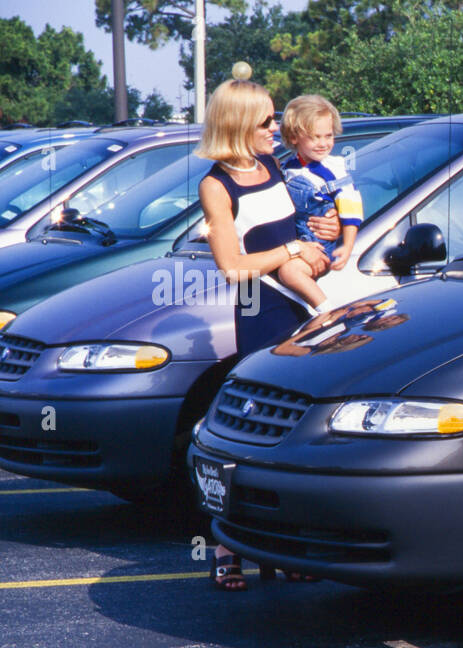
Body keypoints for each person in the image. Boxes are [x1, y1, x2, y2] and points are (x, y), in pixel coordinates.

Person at [195, 79, 338, 591]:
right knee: (256, 433)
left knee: (299, 433)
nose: (275, 129)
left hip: (304, 305)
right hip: (263, 312)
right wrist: (291, 253)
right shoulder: (216, 185)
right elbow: (233, 267)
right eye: (266, 122)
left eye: (274, 120)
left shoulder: (274, 164)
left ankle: (283, 545)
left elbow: (292, 226)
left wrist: (317, 236)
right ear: (237, 125)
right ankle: (226, 546)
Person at [280, 94, 363, 275]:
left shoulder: (334, 168)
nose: (323, 144)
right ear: (294, 137)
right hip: (298, 242)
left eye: (328, 136)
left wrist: (348, 246)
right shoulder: (286, 169)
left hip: (321, 246)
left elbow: (351, 206)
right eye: (315, 137)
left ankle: (321, 304)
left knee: (289, 273)